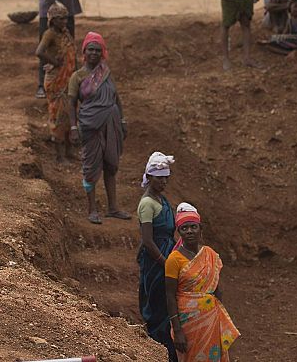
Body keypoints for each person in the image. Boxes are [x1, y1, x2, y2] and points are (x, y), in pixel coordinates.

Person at [67, 31, 130, 225]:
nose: (94, 53)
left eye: (97, 50)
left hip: (111, 123)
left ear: (102, 52)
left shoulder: (106, 73)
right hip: (90, 125)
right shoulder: (77, 76)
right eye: (90, 50)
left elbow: (115, 98)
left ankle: (113, 208)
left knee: (111, 165)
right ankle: (92, 209)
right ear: (84, 52)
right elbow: (71, 103)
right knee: (91, 167)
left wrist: (123, 120)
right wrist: (73, 127)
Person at [166, 203, 240, 362]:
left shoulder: (210, 254)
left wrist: (218, 317)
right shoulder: (174, 259)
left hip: (210, 319)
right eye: (184, 228)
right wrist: (177, 330)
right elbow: (169, 295)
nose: (189, 231)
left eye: (193, 227)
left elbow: (217, 290)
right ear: (179, 232)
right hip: (187, 323)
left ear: (200, 229)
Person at [137, 152, 178, 362]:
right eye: (159, 177)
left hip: (167, 256)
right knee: (158, 306)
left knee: (169, 304)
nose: (163, 181)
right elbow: (147, 240)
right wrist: (165, 262)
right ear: (149, 177)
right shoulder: (147, 204)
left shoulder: (160, 199)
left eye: (165, 177)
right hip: (156, 262)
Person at [35, 2, 77, 163]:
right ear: (52, 20)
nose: (64, 22)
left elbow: (72, 55)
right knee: (58, 115)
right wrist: (55, 62)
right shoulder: (50, 34)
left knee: (70, 113)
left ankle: (69, 151)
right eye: (60, 19)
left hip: (68, 79)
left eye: (65, 18)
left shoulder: (65, 33)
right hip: (56, 80)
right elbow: (39, 52)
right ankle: (59, 156)